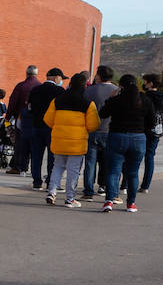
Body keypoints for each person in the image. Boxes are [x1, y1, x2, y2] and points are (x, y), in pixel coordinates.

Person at [42, 72, 100, 208]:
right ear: (84, 86)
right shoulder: (87, 103)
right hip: (77, 143)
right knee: (73, 171)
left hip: (59, 140)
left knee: (57, 167)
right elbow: (93, 125)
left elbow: (48, 120)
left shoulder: (57, 101)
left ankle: (52, 192)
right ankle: (70, 198)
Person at [98, 74, 152, 213]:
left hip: (117, 136)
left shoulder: (117, 100)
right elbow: (151, 121)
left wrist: (110, 98)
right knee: (133, 173)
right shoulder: (144, 100)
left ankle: (109, 201)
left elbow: (103, 114)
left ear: (121, 86)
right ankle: (131, 204)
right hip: (138, 138)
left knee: (113, 171)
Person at [25, 68, 66, 191]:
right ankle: (50, 181)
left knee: (36, 155)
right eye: (61, 78)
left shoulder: (35, 90)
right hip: (52, 128)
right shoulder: (60, 91)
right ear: (56, 77)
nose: (61, 81)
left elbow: (30, 108)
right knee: (52, 156)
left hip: (36, 125)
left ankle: (37, 181)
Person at [81, 65, 118, 199]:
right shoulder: (116, 91)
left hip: (92, 131)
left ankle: (88, 191)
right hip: (110, 131)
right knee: (108, 162)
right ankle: (105, 187)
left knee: (90, 163)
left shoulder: (89, 91)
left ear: (99, 76)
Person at [5, 66, 40, 175]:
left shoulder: (21, 86)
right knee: (34, 145)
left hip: (21, 118)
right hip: (37, 119)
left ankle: (18, 166)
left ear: (26, 73)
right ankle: (31, 168)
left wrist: (8, 116)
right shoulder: (40, 86)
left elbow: (13, 102)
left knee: (21, 144)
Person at [141, 74, 163, 192]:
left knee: (135, 157)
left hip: (145, 129)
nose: (144, 85)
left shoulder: (147, 97)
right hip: (157, 129)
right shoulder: (162, 96)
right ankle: (145, 185)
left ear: (151, 84)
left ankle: (126, 184)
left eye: (145, 82)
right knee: (150, 157)